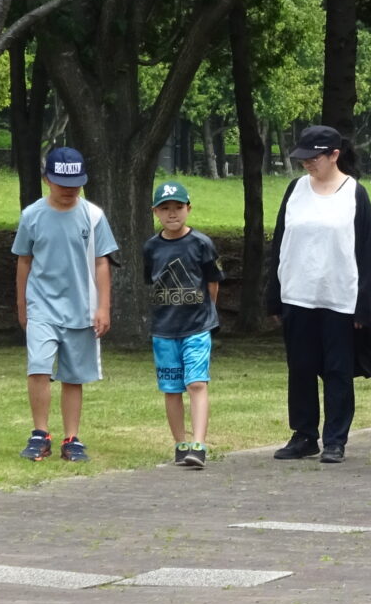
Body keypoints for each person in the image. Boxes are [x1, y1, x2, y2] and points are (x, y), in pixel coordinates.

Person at [265, 124, 371, 464]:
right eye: (303, 157)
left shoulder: (354, 194)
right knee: (300, 366)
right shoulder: (295, 190)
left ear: (334, 155)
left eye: (314, 157)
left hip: (339, 298)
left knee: (336, 369)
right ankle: (304, 435)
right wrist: (274, 294)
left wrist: (364, 306)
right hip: (297, 295)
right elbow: (280, 243)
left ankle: (335, 439)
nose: (307, 163)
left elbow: (366, 251)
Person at [12, 147, 117, 463]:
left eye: (75, 183)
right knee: (39, 366)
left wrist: (103, 307)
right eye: (61, 183)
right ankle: (40, 433)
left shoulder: (93, 215)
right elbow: (24, 262)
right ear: (47, 180)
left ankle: (72, 438)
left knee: (73, 375)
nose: (69, 189)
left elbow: (102, 263)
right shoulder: (32, 215)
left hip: (81, 308)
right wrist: (22, 306)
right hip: (42, 305)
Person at [143, 181, 224, 469]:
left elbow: (212, 282)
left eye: (178, 207)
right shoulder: (151, 248)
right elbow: (150, 282)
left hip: (196, 326)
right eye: (165, 209)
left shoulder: (201, 243)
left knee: (196, 383)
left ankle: (198, 445)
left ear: (188, 208)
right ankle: (180, 443)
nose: (172, 214)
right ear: (155, 212)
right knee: (171, 387)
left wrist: (207, 314)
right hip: (164, 329)